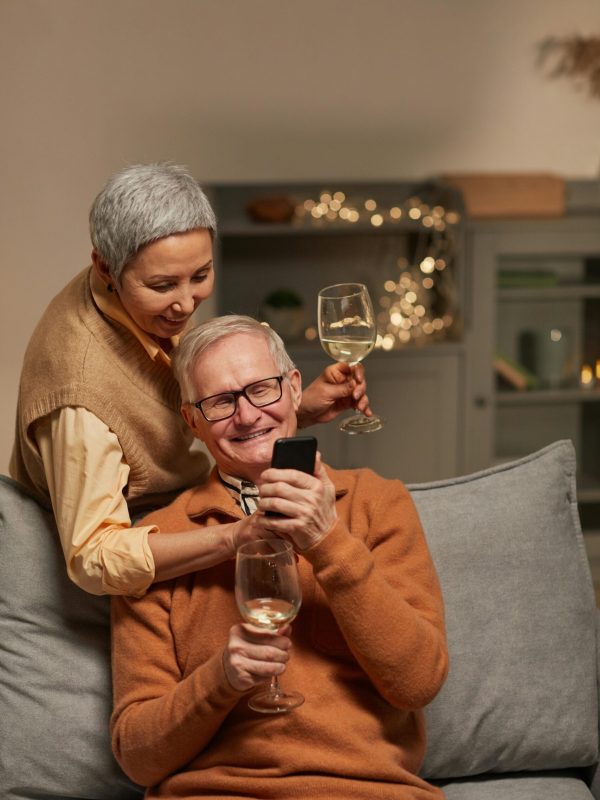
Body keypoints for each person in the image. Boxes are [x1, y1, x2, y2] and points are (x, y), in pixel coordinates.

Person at [111, 314, 448, 800]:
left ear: (293, 388)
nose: (247, 416)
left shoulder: (378, 503)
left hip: (368, 792)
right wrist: (221, 679)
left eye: (261, 389)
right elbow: (139, 758)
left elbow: (419, 683)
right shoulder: (159, 545)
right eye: (220, 402)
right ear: (192, 421)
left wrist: (328, 541)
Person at [10, 163, 370, 597]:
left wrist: (297, 408)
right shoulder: (79, 393)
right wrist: (236, 536)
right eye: (163, 286)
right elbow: (94, 559)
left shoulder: (133, 291)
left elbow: (171, 416)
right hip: (115, 577)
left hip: (180, 519)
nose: (185, 304)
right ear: (105, 267)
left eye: (200, 276)